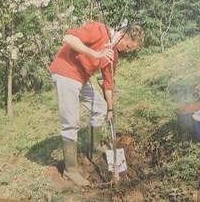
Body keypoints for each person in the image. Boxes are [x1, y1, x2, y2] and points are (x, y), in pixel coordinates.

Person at [49, 20, 144, 186]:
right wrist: (96, 54)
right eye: (128, 47)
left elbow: (108, 83)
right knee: (71, 122)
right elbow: (68, 39)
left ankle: (93, 149)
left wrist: (110, 108)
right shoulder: (99, 30)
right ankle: (70, 170)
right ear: (123, 35)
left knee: (100, 107)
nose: (127, 51)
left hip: (81, 78)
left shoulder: (113, 54)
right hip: (65, 72)